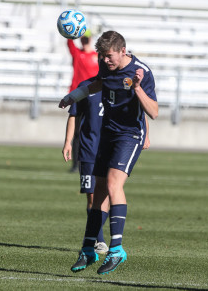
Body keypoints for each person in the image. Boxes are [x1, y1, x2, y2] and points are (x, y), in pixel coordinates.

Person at [59, 31, 158, 275]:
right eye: (102, 56)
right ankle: (88, 249)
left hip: (129, 136)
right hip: (107, 135)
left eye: (109, 56)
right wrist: (73, 96)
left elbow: (154, 112)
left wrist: (137, 88)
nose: (105, 60)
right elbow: (98, 84)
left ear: (123, 51)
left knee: (114, 184)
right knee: (99, 189)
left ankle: (116, 250)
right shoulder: (106, 67)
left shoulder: (141, 71)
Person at [62, 76, 109, 254]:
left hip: (111, 150)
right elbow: (74, 115)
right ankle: (99, 239)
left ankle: (93, 233)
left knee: (107, 194)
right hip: (88, 150)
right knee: (91, 196)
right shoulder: (85, 87)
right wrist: (68, 142)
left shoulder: (120, 85)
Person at [67, 30, 99, 172]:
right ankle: (76, 164)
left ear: (91, 39)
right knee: (77, 133)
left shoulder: (96, 57)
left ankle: (93, 161)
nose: (85, 40)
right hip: (78, 96)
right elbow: (69, 43)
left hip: (92, 98)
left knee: (92, 130)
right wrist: (70, 32)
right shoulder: (77, 54)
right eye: (83, 38)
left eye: (87, 38)